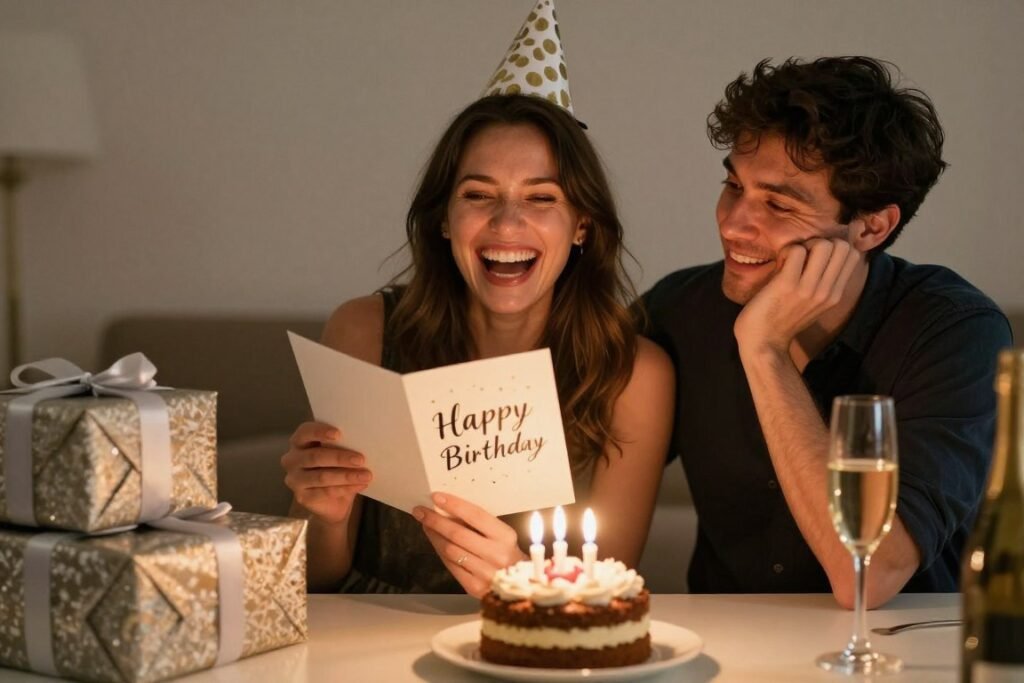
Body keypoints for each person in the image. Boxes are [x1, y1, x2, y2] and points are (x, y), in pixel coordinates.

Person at [640, 56, 1013, 608]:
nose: (733, 222)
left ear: (871, 226)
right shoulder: (679, 309)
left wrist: (764, 350)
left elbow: (869, 574)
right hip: (729, 653)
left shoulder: (956, 334)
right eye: (732, 185)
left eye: (778, 204)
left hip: (902, 655)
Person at [281, 91, 674, 595]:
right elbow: (314, 582)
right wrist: (320, 511)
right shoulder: (364, 332)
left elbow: (605, 596)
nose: (507, 223)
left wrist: (522, 583)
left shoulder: (635, 374)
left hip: (532, 652)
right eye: (478, 195)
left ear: (581, 225)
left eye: (541, 197)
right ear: (444, 218)